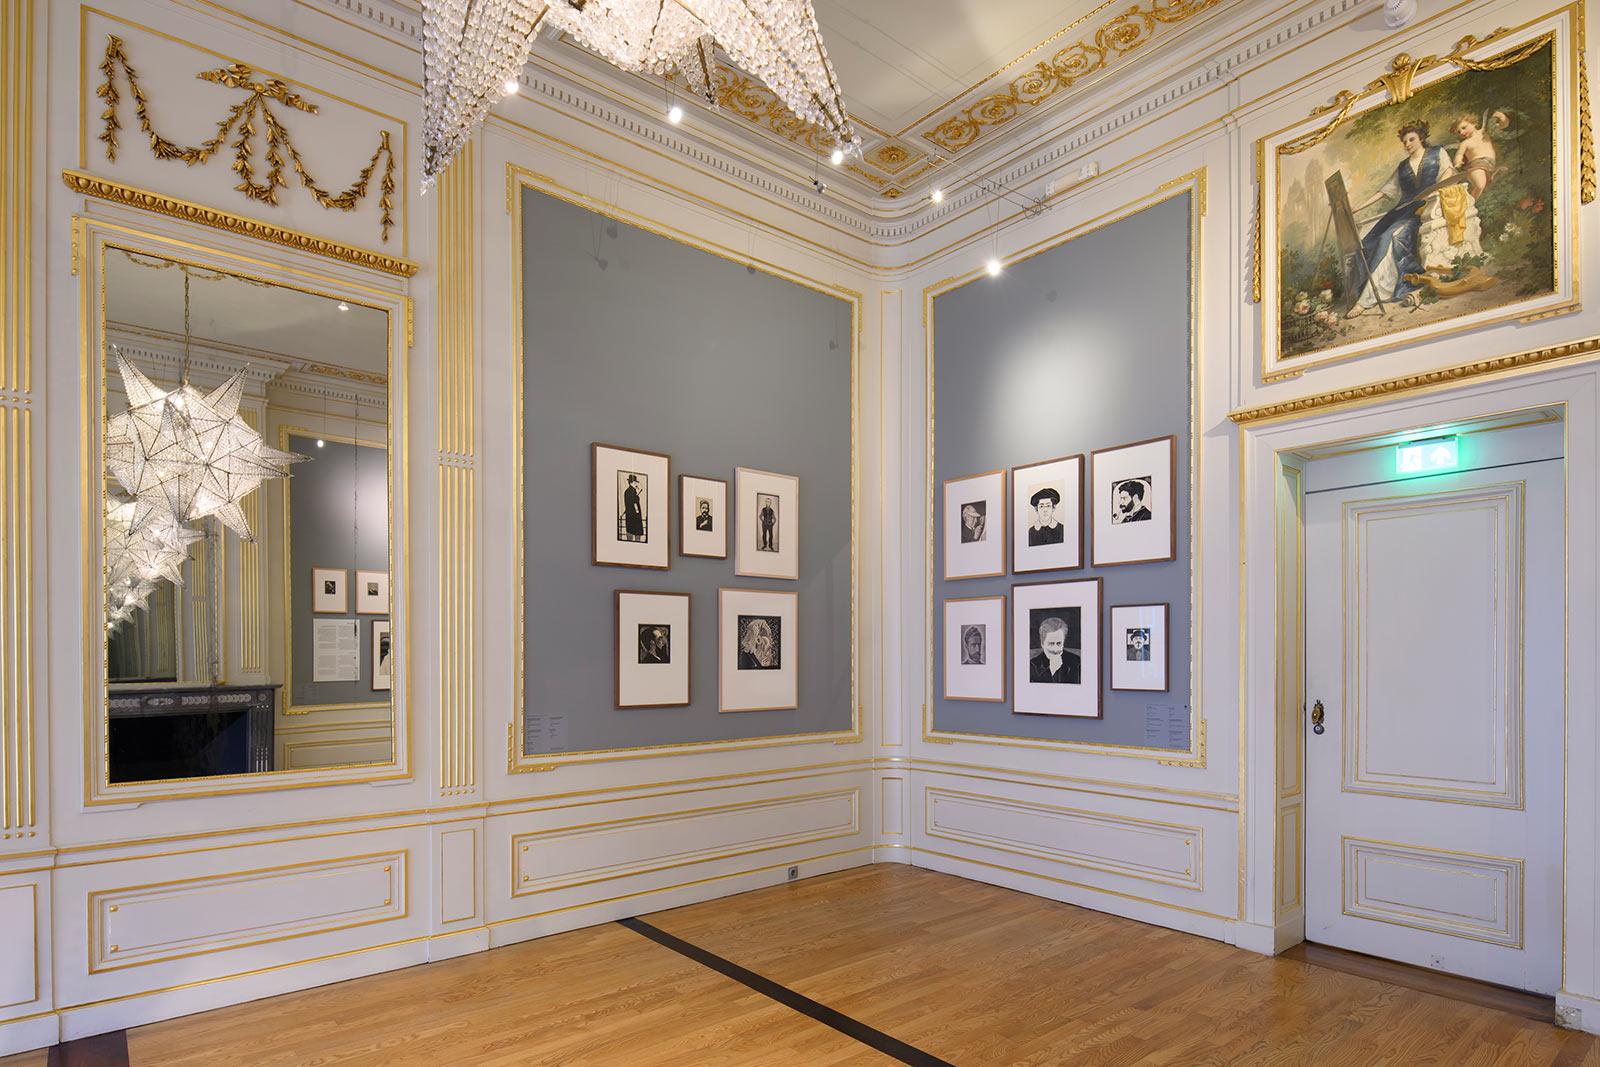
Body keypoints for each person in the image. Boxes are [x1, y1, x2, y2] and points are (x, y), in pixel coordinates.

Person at [1346, 120, 1483, 315]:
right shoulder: (1403, 167)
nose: (1407, 144)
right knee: (1369, 243)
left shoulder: (1437, 153)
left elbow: (1448, 172)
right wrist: (1358, 207)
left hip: (1427, 208)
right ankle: (1366, 293)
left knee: (1390, 239)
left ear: (1421, 138)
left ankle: (1367, 300)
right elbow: (1385, 191)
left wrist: (1433, 191)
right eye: (1404, 142)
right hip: (1403, 211)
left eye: (1411, 139)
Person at [1452, 113, 1498, 199]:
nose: (1462, 132)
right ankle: (1470, 203)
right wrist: (1458, 161)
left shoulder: (1484, 132)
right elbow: (1459, 154)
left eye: (1463, 128)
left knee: (1484, 184)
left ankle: (1469, 201)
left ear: (1473, 123)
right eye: (1459, 132)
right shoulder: (1465, 143)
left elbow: (1497, 127)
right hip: (1476, 165)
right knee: (1480, 185)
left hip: (1490, 165)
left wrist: (1500, 117)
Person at [1029, 617, 1079, 684]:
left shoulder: (1076, 662)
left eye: (1059, 643)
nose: (1055, 650)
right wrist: (1051, 671)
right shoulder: (1032, 665)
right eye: (1051, 644)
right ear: (1042, 644)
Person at [622, 474, 644, 541]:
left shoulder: (629, 491)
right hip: (634, 517)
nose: (637, 484)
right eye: (635, 482)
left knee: (631, 533)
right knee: (634, 534)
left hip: (631, 516)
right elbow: (633, 504)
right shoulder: (630, 491)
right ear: (632, 483)